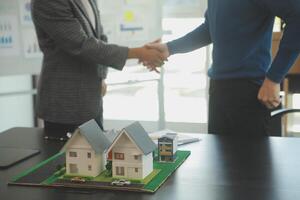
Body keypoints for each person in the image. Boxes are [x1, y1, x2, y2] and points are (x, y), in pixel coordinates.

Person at [146, 0, 300, 136]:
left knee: (253, 165)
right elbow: (210, 28)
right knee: (220, 163)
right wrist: (170, 48)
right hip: (219, 89)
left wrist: (274, 78)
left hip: (250, 90)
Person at [31, 0, 165, 140]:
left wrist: (101, 76)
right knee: (68, 160)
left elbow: (99, 38)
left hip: (91, 100)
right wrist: (139, 53)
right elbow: (81, 45)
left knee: (96, 158)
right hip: (65, 105)